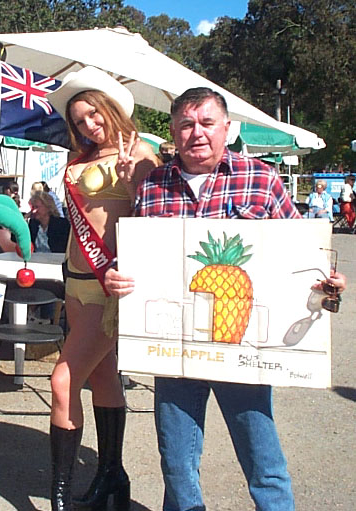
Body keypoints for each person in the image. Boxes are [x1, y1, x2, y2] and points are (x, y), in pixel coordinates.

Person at [104, 87, 347, 511]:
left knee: (262, 459)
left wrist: (326, 280)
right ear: (173, 132)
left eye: (206, 123)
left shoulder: (261, 178)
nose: (196, 133)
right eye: (186, 125)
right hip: (174, 350)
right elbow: (136, 259)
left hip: (244, 350)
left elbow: (303, 251)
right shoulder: (153, 186)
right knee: (176, 461)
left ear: (227, 128)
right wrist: (116, 276)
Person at [44, 66, 160, 511]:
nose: (90, 125)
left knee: (62, 381)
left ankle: (59, 496)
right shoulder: (80, 159)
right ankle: (112, 475)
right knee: (102, 374)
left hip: (105, 284)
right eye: (79, 121)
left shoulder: (140, 152)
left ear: (110, 108)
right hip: (74, 281)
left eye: (94, 114)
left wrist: (134, 180)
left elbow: (156, 217)